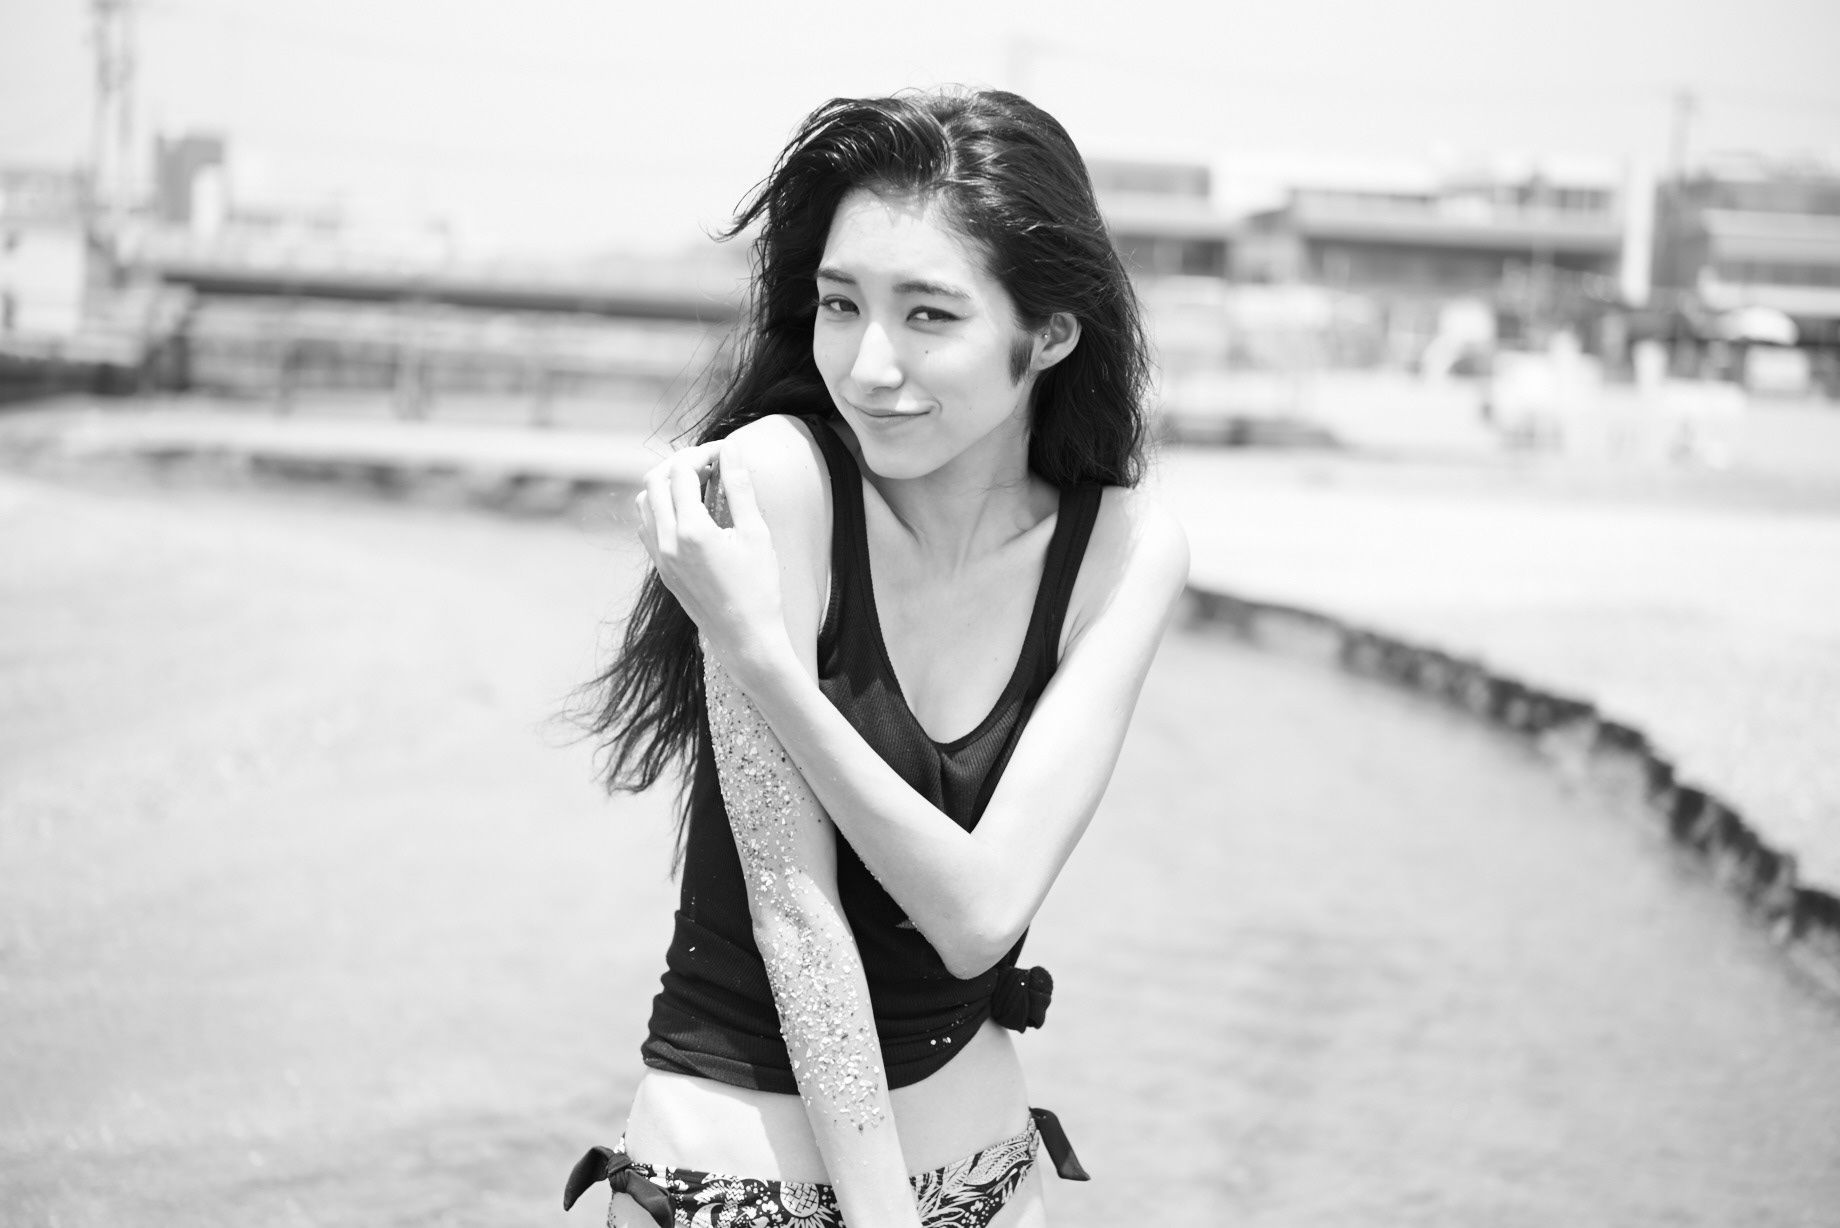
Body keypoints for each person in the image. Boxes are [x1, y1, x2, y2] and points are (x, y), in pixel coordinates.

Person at [566, 88, 1189, 1228]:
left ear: (1049, 334)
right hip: (731, 1192)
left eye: (929, 315)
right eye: (840, 305)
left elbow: (979, 915)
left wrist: (766, 665)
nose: (867, 366)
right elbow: (795, 919)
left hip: (986, 1179)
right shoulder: (774, 485)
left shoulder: (1121, 549)